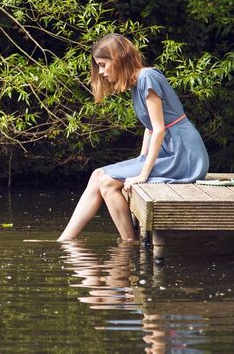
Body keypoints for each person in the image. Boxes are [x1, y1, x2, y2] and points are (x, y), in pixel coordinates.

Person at [57, 33, 209, 242]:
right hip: (169, 150)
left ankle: (129, 243)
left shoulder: (148, 77)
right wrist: (141, 159)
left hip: (184, 155)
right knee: (97, 175)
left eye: (103, 64)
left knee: (108, 183)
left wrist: (142, 174)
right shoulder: (136, 83)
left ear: (117, 58)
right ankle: (65, 240)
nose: (101, 72)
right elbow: (149, 128)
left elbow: (159, 129)